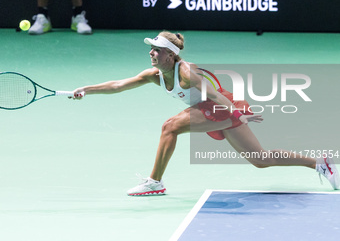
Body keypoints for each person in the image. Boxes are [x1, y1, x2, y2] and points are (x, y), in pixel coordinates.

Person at [71, 31, 340, 195]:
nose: (151, 53)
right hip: (209, 111)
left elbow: (214, 95)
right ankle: (319, 164)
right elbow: (118, 85)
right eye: (151, 49)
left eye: (157, 50)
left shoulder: (187, 73)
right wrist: (86, 89)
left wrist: (237, 115)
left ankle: (154, 182)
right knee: (260, 159)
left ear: (171, 55)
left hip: (221, 108)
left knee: (169, 126)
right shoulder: (154, 75)